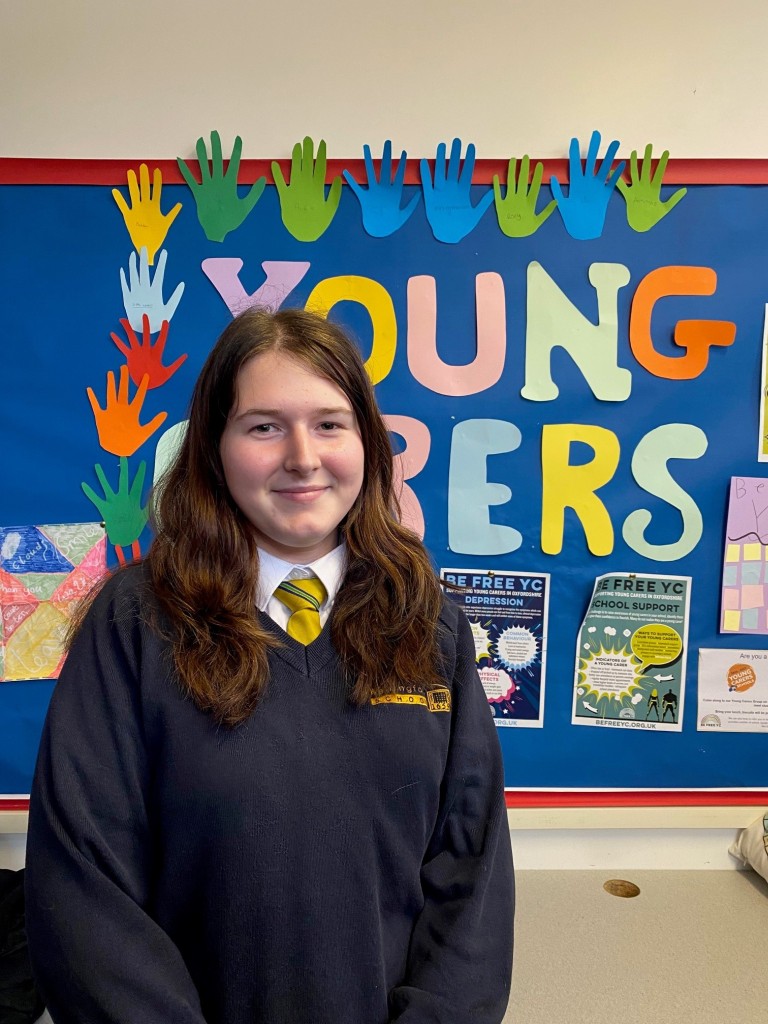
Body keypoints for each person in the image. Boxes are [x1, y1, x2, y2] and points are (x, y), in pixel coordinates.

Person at [25, 307, 514, 1024]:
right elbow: (83, 886)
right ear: (214, 449)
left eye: (329, 423)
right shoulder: (134, 622)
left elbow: (471, 872)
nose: (303, 457)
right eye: (263, 426)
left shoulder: (427, 619)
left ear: (369, 445)